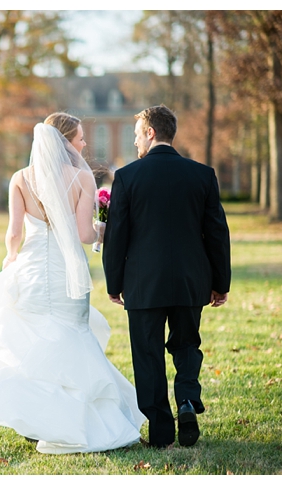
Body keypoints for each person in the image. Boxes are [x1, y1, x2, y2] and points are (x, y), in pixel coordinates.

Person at [0, 112, 146, 454]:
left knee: (30, 344)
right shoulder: (82, 178)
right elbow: (83, 234)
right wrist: (104, 230)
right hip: (67, 274)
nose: (85, 143)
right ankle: (73, 421)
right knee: (70, 341)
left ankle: (38, 419)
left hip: (30, 271)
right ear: (65, 142)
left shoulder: (20, 178)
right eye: (80, 138)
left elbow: (14, 232)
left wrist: (9, 256)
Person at [102, 105, 231, 448]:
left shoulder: (128, 177)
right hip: (192, 280)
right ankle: (187, 400)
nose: (134, 143)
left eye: (136, 135)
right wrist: (221, 282)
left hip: (144, 283)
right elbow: (217, 233)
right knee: (187, 344)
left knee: (147, 355)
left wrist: (114, 284)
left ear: (150, 133)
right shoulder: (202, 175)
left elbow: (117, 236)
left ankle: (160, 433)